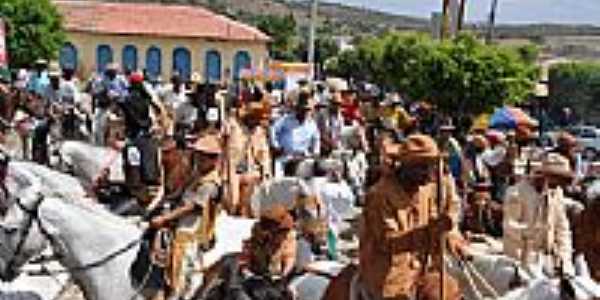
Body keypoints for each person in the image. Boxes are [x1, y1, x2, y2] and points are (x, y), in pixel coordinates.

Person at [358, 134, 467, 300]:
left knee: (452, 290)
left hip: (421, 270)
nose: (430, 174)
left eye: (432, 167)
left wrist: (448, 236)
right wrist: (429, 231)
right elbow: (387, 242)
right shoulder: (379, 195)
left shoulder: (426, 190)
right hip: (387, 273)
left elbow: (435, 222)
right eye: (424, 168)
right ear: (406, 167)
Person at [150, 133, 223, 298]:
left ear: (213, 160)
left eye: (203, 157)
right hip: (181, 223)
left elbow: (192, 207)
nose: (198, 160)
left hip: (191, 231)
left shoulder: (210, 183)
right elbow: (179, 195)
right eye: (198, 156)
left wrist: (165, 218)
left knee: (181, 268)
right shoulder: (197, 175)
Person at [503, 153, 575, 277]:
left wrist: (565, 259)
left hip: (550, 258)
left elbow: (562, 228)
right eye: (556, 178)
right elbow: (509, 226)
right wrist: (532, 230)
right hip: (523, 258)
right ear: (543, 175)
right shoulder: (516, 193)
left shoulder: (556, 193)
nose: (558, 184)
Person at [270, 89, 320, 177]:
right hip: (286, 157)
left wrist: (315, 153)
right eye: (303, 109)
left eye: (307, 110)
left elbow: (316, 140)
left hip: (303, 158)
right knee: (279, 181)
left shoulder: (312, 124)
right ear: (297, 108)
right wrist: (276, 146)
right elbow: (273, 130)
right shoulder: (286, 120)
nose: (305, 112)